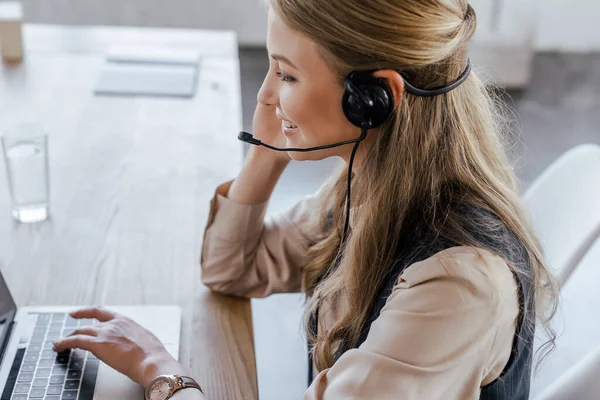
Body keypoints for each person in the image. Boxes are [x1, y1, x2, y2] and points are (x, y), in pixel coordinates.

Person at [52, 0, 560, 399]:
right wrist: (270, 150)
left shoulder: (456, 283)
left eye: (287, 74)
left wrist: (161, 372)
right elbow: (232, 267)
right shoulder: (370, 186)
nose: (265, 94)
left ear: (373, 98)